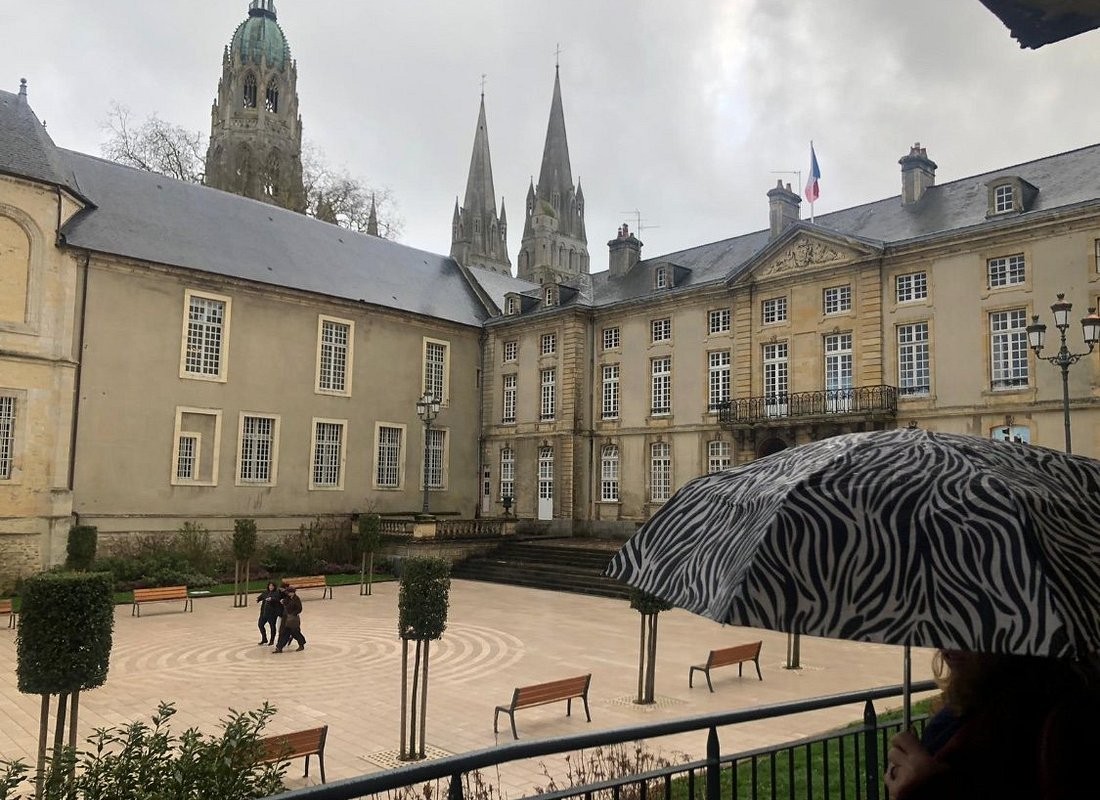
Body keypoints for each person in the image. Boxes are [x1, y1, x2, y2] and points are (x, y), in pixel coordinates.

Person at [884, 649, 1100, 799]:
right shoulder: (959, 714)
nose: (946, 647)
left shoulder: (1060, 725)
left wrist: (931, 790)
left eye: (968, 625)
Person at [273, 584, 306, 653]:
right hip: (286, 618)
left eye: (289, 592)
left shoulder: (296, 599)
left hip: (293, 619)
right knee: (284, 633)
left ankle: (301, 644)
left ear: (293, 592)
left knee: (295, 632)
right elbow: (284, 601)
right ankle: (279, 647)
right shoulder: (287, 598)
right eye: (288, 592)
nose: (288, 594)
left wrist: (293, 614)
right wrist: (282, 601)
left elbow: (299, 608)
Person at [255, 581, 283, 645]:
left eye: (272, 586)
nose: (271, 587)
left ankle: (272, 640)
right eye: (270, 586)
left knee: (272, 626)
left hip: (272, 613)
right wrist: (258, 599)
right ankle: (264, 639)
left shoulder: (277, 592)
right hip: (264, 612)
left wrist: (271, 599)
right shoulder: (265, 592)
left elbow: (277, 599)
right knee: (260, 625)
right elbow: (261, 596)